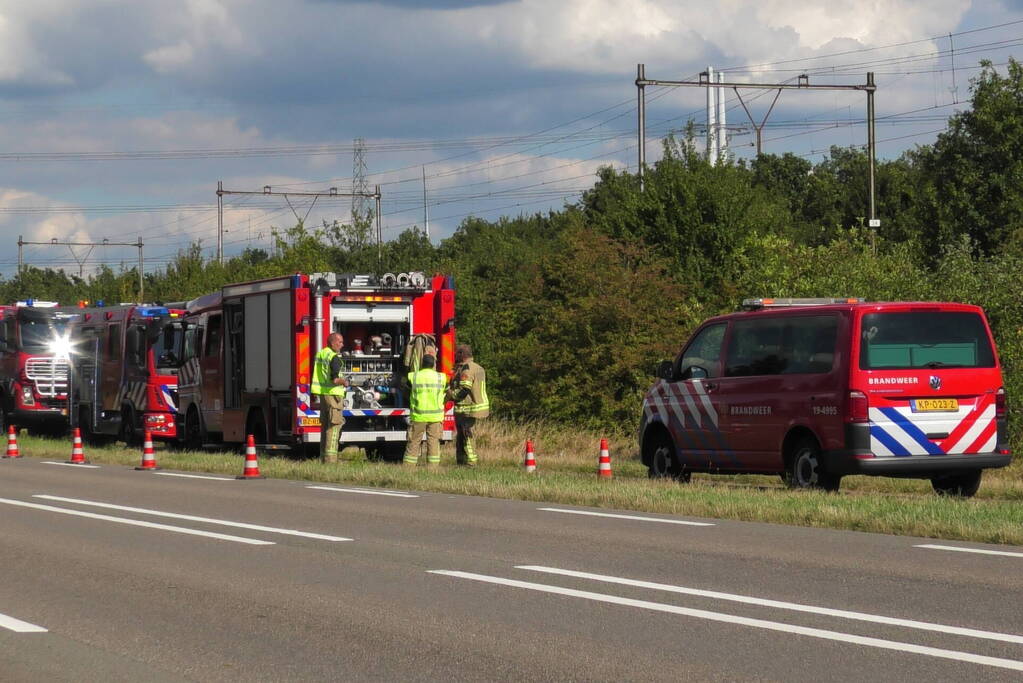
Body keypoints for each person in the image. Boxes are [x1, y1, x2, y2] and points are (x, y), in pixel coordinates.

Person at [447, 343, 489, 466]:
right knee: (462, 435)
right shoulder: (477, 367)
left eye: (457, 353)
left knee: (466, 434)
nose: (455, 356)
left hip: (468, 408)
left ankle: (471, 462)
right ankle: (461, 462)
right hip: (473, 407)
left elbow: (465, 389)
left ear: (462, 354)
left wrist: (452, 395)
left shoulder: (467, 368)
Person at [403, 354, 447, 466]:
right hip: (435, 417)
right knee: (433, 443)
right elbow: (447, 393)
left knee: (414, 442)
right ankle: (433, 469)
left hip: (418, 415)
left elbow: (406, 391)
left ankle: (408, 468)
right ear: (433, 365)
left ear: (422, 364)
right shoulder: (441, 377)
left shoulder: (414, 376)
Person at [312, 332, 349, 464]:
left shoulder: (321, 354)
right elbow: (334, 379)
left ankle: (323, 458)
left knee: (325, 427)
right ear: (333, 342)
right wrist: (345, 382)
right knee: (334, 427)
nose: (342, 345)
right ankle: (331, 460)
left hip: (324, 395)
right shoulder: (334, 358)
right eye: (340, 342)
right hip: (334, 396)